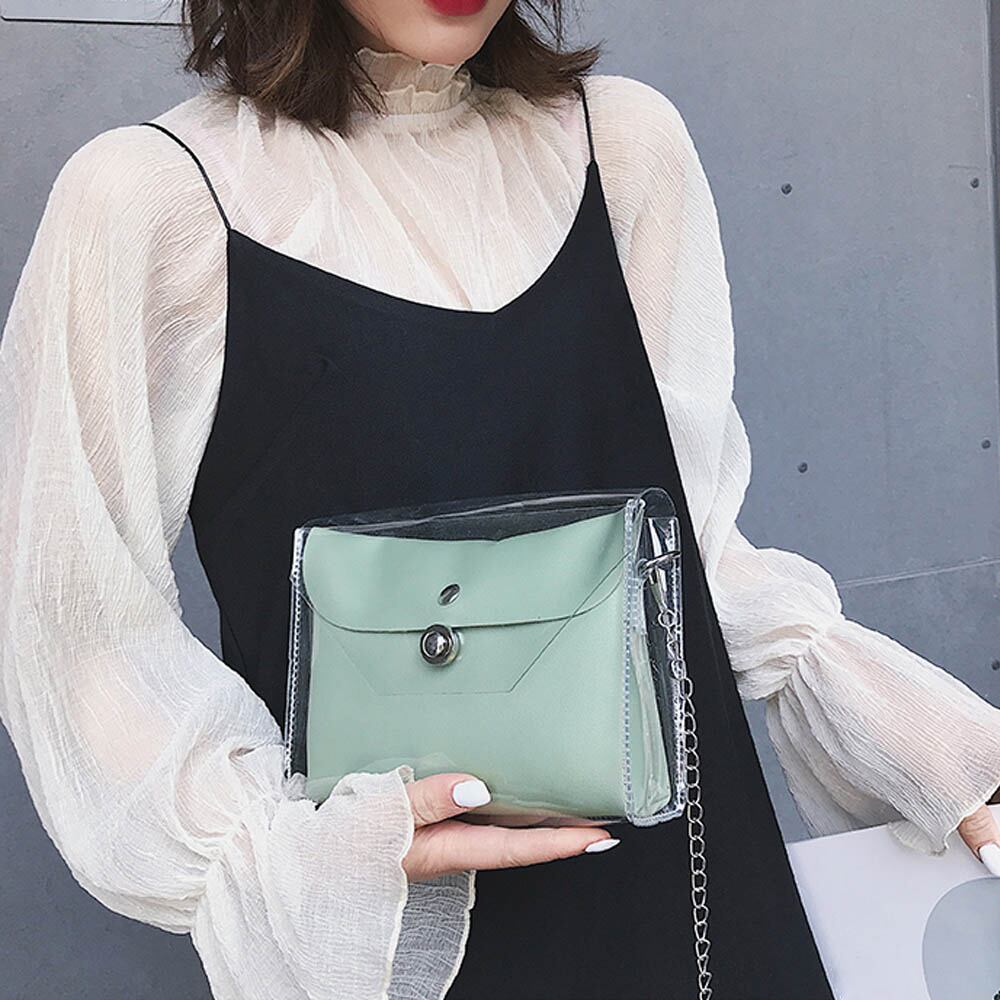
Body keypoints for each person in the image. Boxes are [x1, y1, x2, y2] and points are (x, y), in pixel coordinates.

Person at [2, 1, 999, 997]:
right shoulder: (156, 197)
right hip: (401, 926)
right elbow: (72, 625)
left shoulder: (622, 142)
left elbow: (689, 549)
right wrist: (298, 852)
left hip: (689, 890)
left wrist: (928, 758)